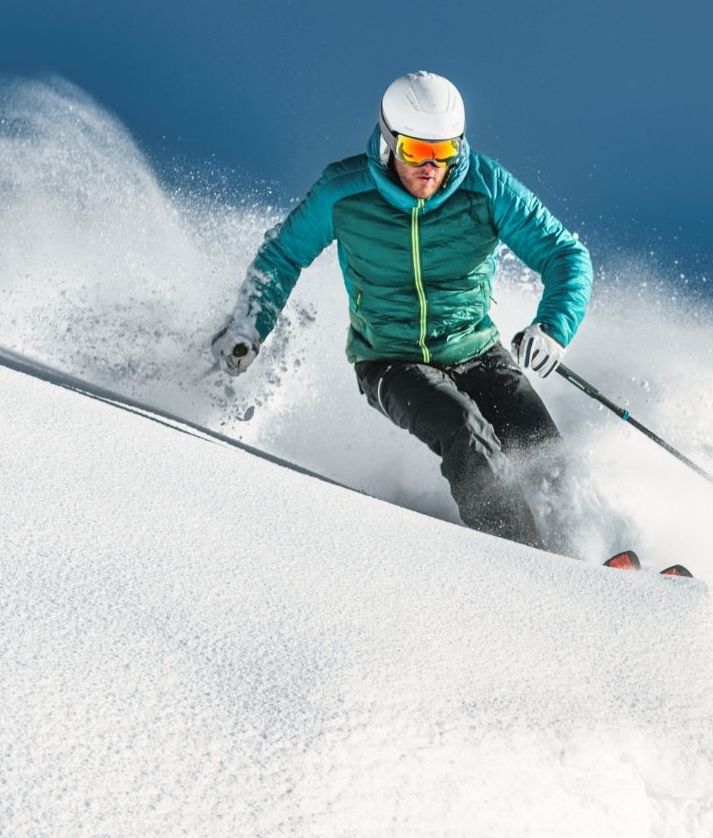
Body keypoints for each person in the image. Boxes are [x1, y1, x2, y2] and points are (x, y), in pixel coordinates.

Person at [212, 71, 592, 550]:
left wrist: (553, 327)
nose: (431, 167)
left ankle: (588, 555)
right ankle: (528, 560)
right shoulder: (343, 192)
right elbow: (283, 254)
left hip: (476, 350)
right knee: (465, 434)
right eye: (416, 151)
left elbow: (566, 254)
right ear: (390, 142)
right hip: (390, 361)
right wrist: (250, 324)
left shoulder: (486, 186)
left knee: (546, 455)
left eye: (445, 151)